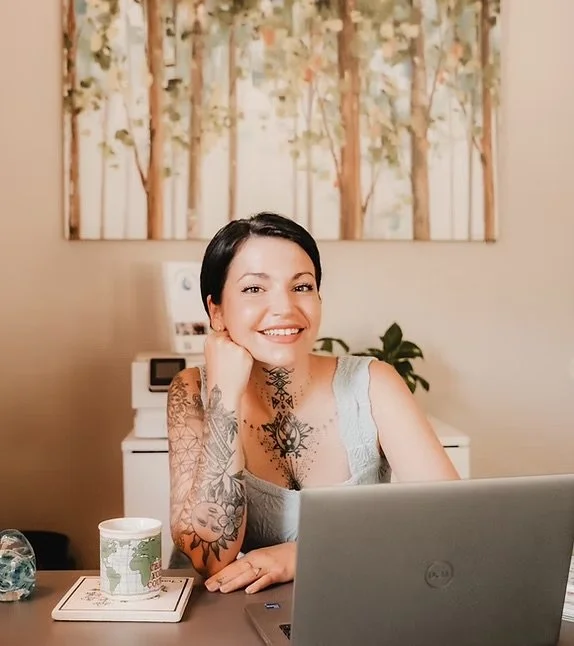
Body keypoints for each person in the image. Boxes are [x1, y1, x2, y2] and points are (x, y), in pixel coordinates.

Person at [167, 211, 459, 595]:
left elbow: (452, 523)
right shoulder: (192, 391)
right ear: (216, 311)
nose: (285, 308)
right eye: (254, 289)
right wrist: (225, 396)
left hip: (357, 603)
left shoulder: (374, 383)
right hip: (233, 613)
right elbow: (211, 558)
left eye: (301, 286)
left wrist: (301, 555)